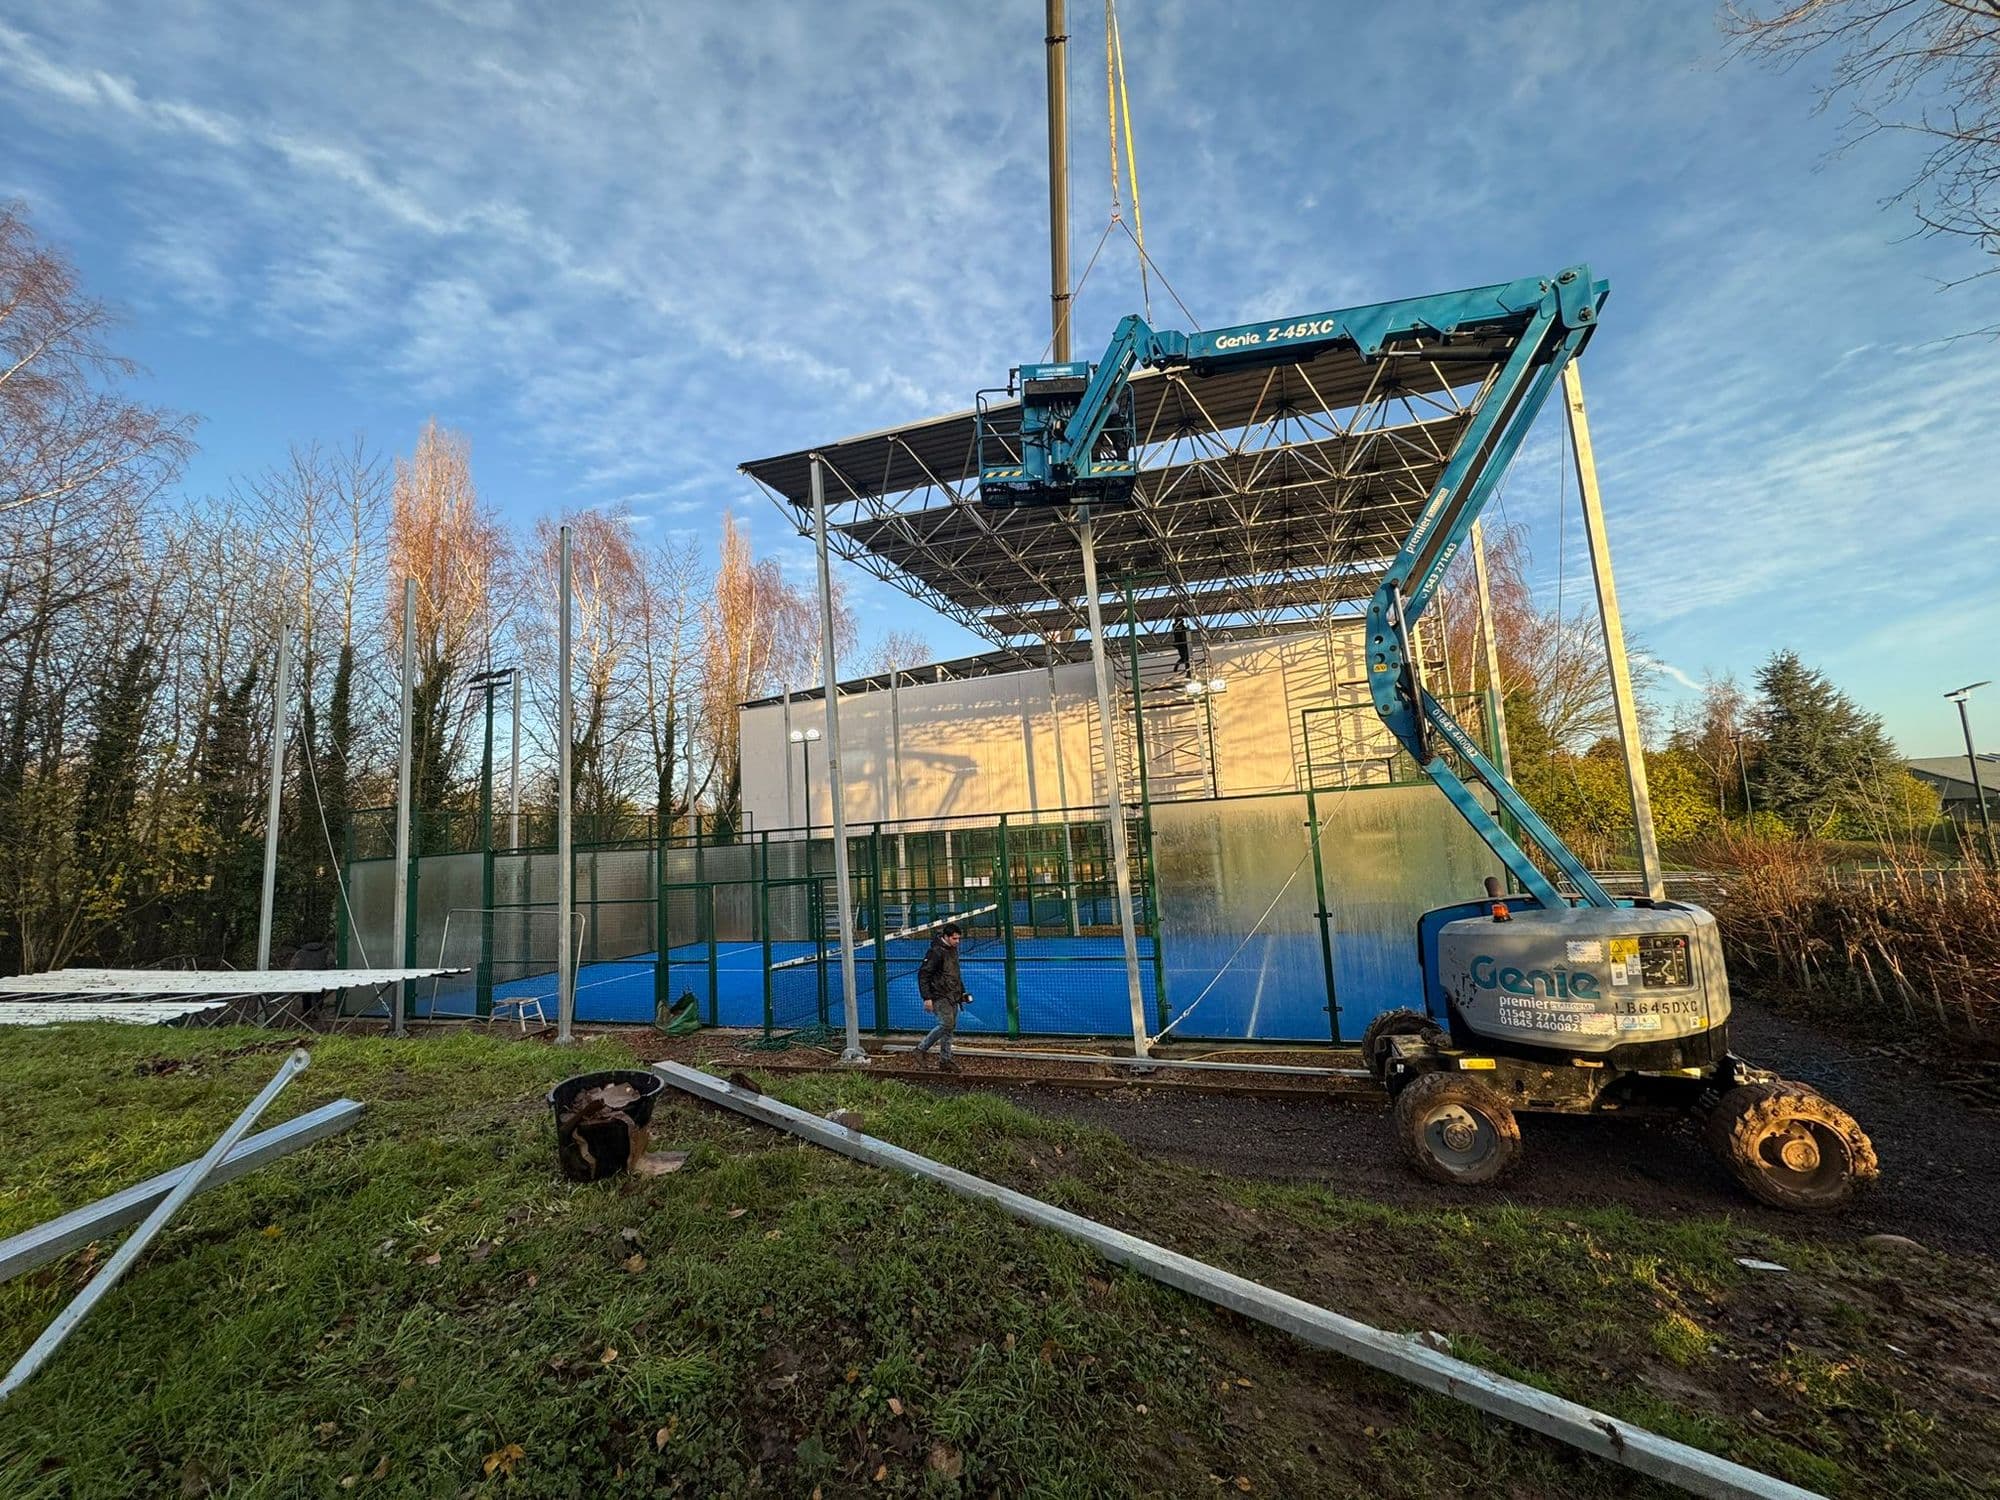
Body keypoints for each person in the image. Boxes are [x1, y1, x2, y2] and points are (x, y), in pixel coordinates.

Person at [913, 922, 966, 1071]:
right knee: (946, 1024)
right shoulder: (935, 952)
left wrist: (962, 992)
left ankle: (945, 1060)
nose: (957, 941)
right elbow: (923, 975)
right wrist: (927, 998)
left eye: (958, 938)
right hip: (939, 995)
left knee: (949, 1028)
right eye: (955, 939)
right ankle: (920, 1049)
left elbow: (954, 974)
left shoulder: (952, 950)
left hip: (952, 995)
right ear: (946, 937)